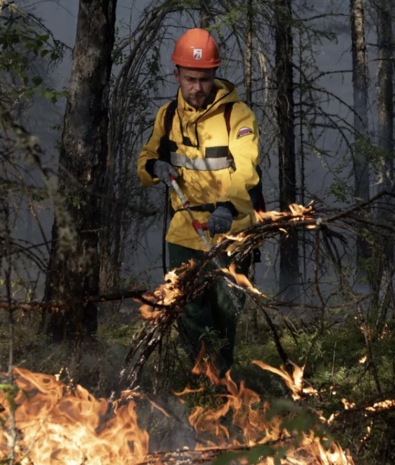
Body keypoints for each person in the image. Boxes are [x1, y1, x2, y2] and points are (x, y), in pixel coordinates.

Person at [137, 28, 261, 376]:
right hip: (184, 232)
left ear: (214, 75)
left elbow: (246, 169)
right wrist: (155, 166)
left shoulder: (237, 117)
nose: (197, 88)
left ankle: (222, 384)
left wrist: (227, 207)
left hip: (231, 232)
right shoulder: (167, 117)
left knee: (225, 313)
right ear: (176, 74)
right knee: (189, 311)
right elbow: (145, 163)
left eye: (204, 79)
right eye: (190, 79)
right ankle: (210, 382)